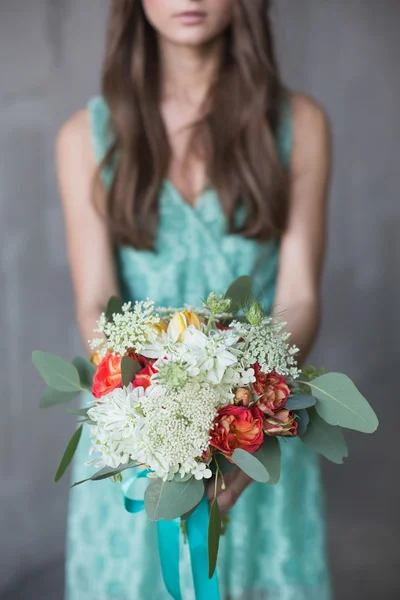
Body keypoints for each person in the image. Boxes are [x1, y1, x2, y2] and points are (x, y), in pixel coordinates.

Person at [56, 1, 332, 598]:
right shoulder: (85, 137)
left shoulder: (298, 124)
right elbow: (95, 306)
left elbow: (300, 296)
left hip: (257, 428)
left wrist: (246, 418)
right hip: (140, 435)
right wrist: (157, 423)